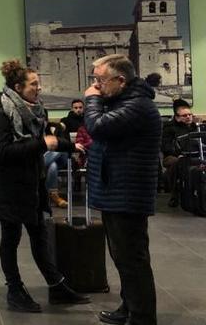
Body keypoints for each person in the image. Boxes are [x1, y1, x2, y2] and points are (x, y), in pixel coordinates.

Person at [0, 59, 89, 313]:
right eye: (34, 84)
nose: (39, 88)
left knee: (39, 235)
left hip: (32, 183)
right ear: (18, 86)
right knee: (10, 238)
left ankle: (56, 285)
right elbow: (1, 151)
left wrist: (70, 146)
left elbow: (48, 140)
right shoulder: (1, 113)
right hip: (9, 187)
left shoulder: (35, 110)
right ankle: (14, 290)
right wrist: (44, 144)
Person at [85, 54, 161, 325]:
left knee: (133, 260)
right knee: (122, 257)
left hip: (127, 194)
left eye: (100, 80)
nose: (96, 86)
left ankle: (142, 317)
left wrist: (91, 100)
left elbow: (96, 127)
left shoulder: (138, 106)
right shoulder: (122, 102)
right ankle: (128, 307)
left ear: (121, 80)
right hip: (115, 191)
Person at [162, 99, 196, 207]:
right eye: (184, 115)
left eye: (190, 115)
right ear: (177, 117)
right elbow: (165, 146)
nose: (188, 117)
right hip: (172, 156)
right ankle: (175, 194)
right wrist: (178, 154)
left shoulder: (195, 127)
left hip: (193, 154)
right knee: (177, 163)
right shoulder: (168, 128)